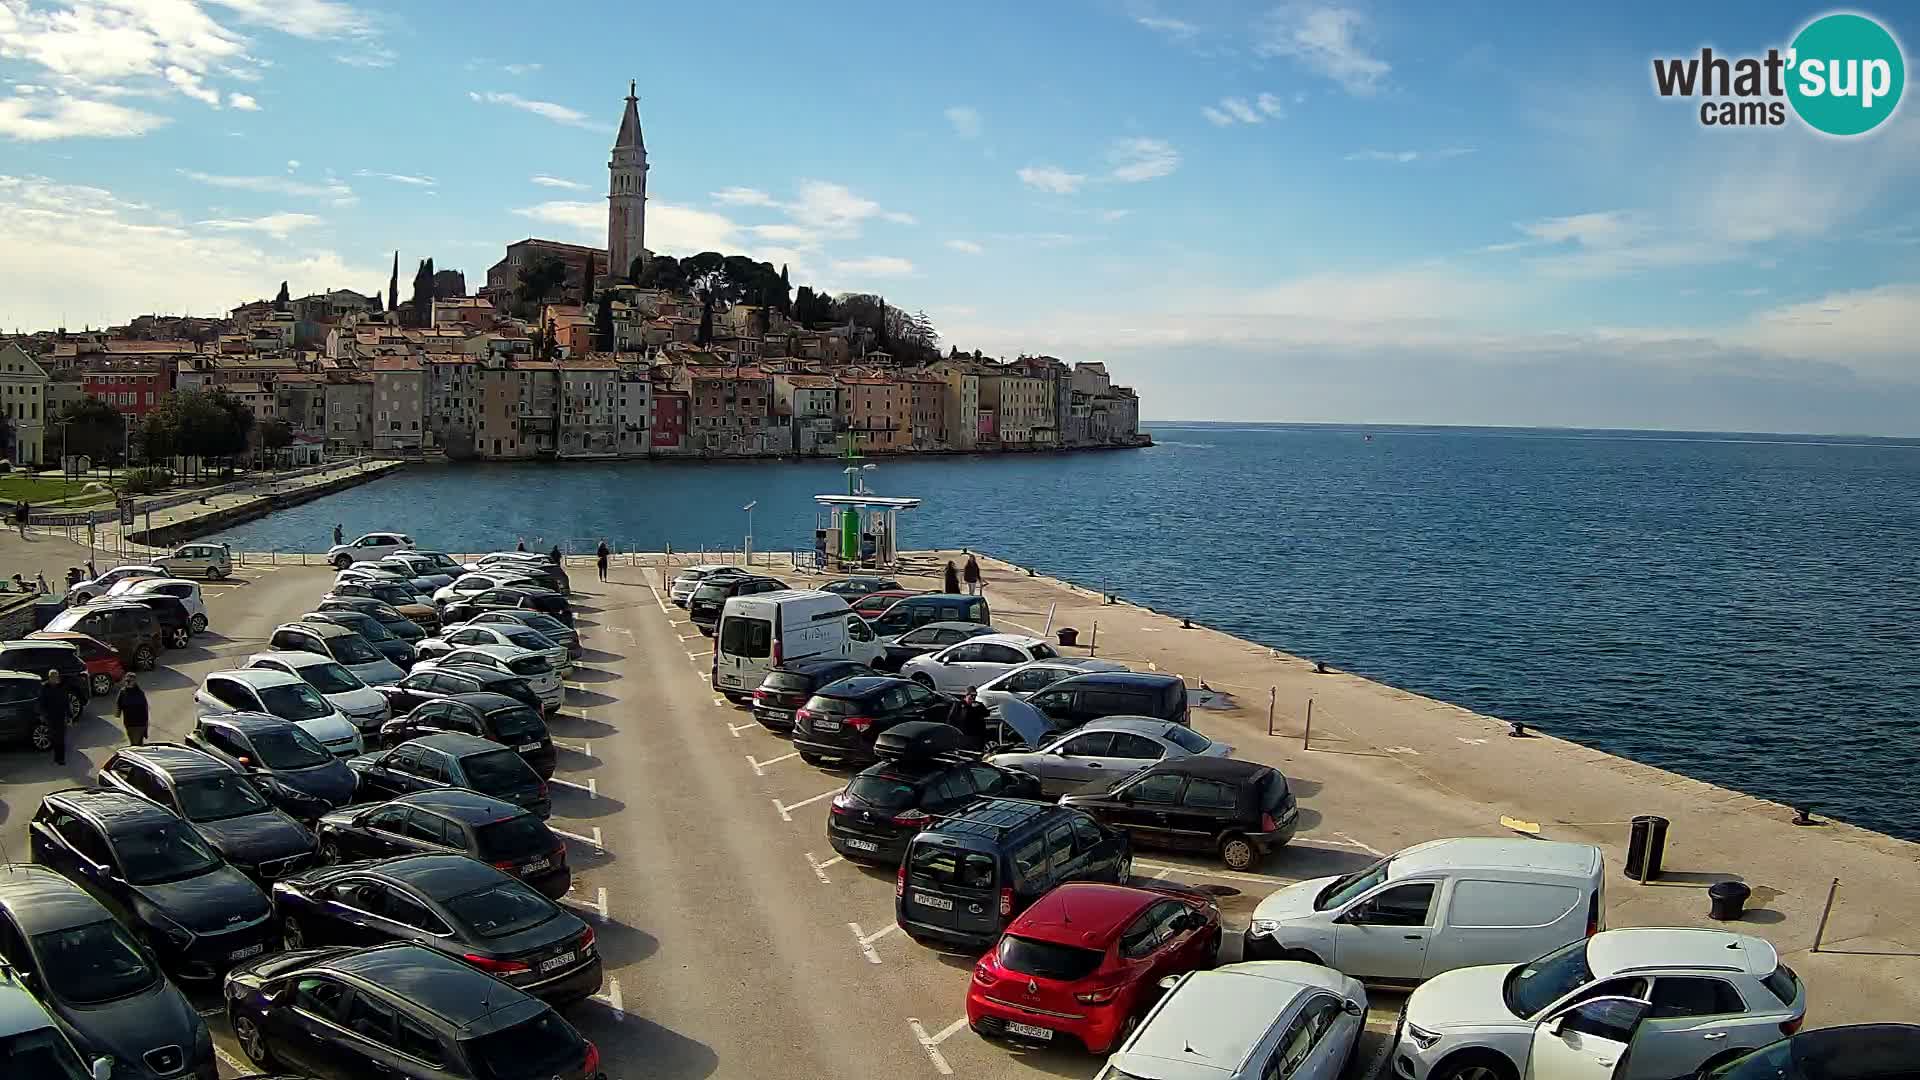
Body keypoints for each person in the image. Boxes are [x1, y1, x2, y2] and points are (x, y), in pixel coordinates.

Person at [40, 670, 68, 766]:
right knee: (54, 738)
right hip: (50, 717)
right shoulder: (45, 687)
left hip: (61, 716)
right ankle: (57, 757)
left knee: (61, 738)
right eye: (52, 677)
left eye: (56, 677)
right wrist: (43, 715)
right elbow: (42, 702)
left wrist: (69, 715)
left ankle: (61, 759)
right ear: (49, 677)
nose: (54, 679)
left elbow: (66, 702)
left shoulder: (62, 687)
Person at [117, 672, 149, 747]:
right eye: (126, 681)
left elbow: (145, 710)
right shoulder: (123, 692)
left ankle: (137, 756)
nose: (128, 683)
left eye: (130, 681)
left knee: (136, 745)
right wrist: (118, 712)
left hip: (139, 724)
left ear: (134, 682)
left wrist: (145, 728)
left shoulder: (140, 693)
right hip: (129, 723)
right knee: (134, 743)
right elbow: (119, 703)